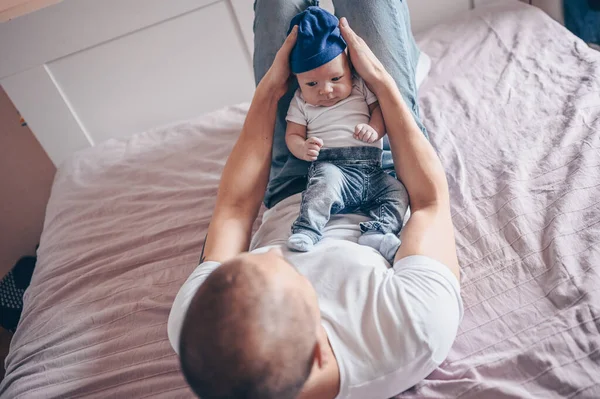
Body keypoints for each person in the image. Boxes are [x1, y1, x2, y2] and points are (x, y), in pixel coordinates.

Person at [168, 1, 463, 398]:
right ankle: (404, 64)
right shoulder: (416, 326)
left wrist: (269, 91)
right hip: (381, 168)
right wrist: (379, 81)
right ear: (321, 353)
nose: (271, 251)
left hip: (292, 179)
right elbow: (429, 201)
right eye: (286, 269)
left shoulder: (197, 328)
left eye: (257, 258)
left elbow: (236, 210)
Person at [284, 6, 408, 262]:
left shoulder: (361, 87)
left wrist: (374, 129)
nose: (326, 90)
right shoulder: (300, 103)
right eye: (312, 84)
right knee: (322, 188)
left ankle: (378, 231)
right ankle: (308, 229)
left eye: (336, 78)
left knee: (397, 192)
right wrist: (302, 148)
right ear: (297, 81)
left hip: (373, 170)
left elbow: (379, 113)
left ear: (350, 68)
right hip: (332, 167)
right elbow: (292, 135)